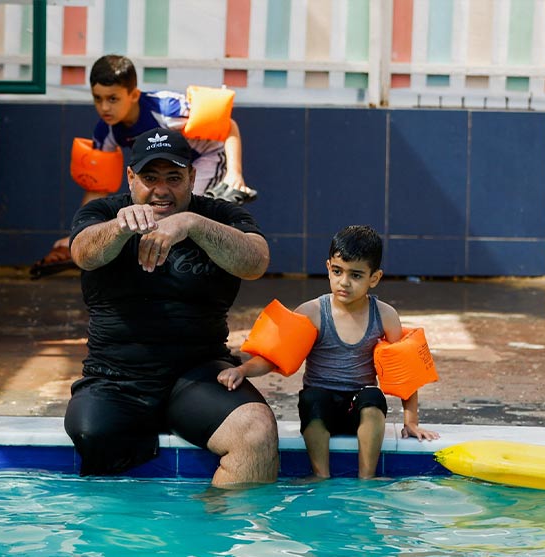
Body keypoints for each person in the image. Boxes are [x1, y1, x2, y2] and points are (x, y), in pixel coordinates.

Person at [63, 127, 278, 487]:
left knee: (255, 433)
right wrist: (120, 228)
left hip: (199, 375)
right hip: (116, 378)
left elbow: (255, 262)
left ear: (192, 178)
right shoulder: (104, 212)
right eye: (149, 177)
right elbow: (82, 253)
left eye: (174, 178)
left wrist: (192, 224)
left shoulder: (217, 215)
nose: (161, 190)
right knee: (90, 432)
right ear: (130, 177)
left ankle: (209, 535)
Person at [217, 225, 440, 479]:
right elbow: (273, 357)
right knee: (313, 398)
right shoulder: (312, 312)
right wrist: (242, 370)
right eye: (337, 271)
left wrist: (410, 421)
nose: (344, 282)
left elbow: (405, 371)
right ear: (328, 268)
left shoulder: (385, 316)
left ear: (374, 278)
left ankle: (367, 477)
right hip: (321, 409)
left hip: (360, 407)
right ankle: (320, 475)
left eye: (356, 275)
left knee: (372, 397)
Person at [31, 54, 258, 278]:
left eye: (113, 98)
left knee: (184, 214)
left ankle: (193, 274)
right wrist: (78, 233)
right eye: (97, 98)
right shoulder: (106, 130)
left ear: (134, 94)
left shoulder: (167, 109)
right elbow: (98, 186)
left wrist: (234, 175)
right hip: (163, 172)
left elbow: (228, 126)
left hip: (205, 157)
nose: (104, 107)